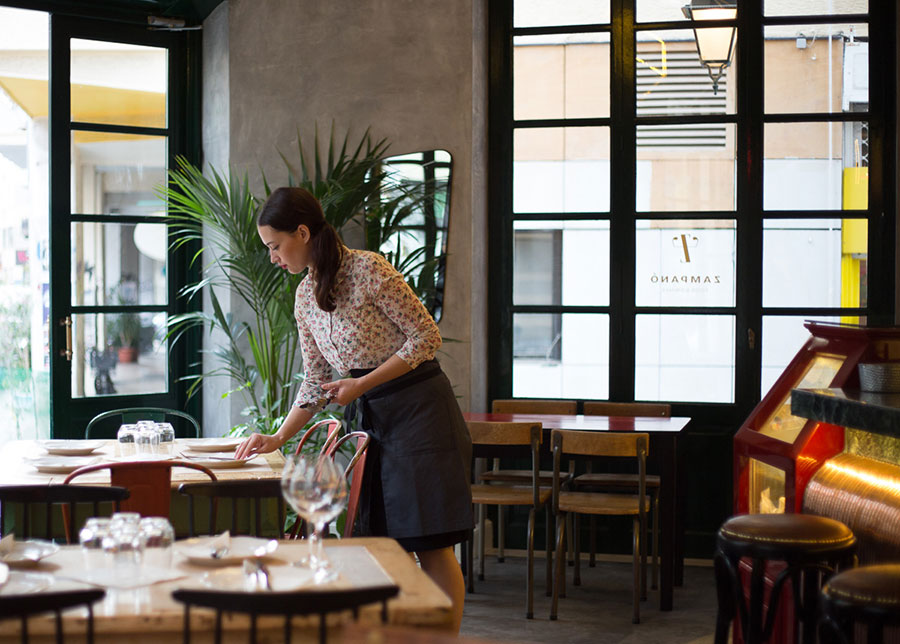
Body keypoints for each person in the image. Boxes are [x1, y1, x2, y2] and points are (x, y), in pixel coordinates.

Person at [235, 186, 473, 631]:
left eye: (275, 246)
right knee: (382, 545)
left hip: (421, 416)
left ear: (302, 232)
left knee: (431, 544)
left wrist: (362, 383)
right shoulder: (305, 296)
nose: (272, 257)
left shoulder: (369, 270)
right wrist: (278, 437)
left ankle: (444, 642)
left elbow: (426, 337)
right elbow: (315, 378)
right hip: (374, 423)